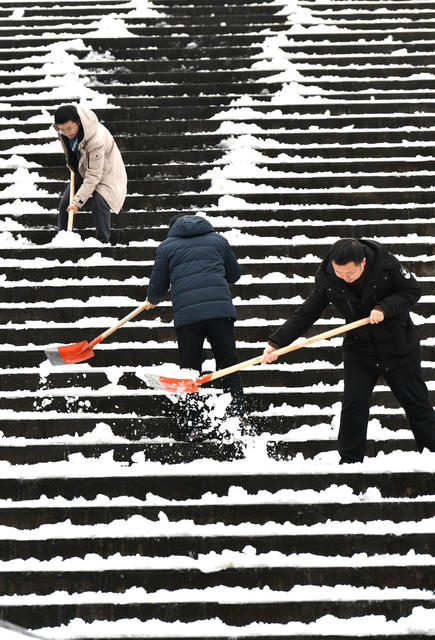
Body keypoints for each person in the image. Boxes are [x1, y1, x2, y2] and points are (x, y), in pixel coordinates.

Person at [263, 238, 435, 463]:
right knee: (354, 404)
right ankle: (350, 460)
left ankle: (432, 451)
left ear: (363, 262)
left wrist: (384, 307)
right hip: (360, 349)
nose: (344, 278)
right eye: (339, 272)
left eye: (350, 273)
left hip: (398, 345)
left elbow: (412, 290)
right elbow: (307, 312)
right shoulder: (328, 277)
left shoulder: (385, 264)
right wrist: (277, 342)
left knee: (416, 402)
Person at [143, 214, 245, 439]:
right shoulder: (218, 240)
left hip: (188, 317)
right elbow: (235, 274)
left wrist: (153, 298)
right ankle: (236, 415)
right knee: (228, 363)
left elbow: (158, 285)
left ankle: (193, 424)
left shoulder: (167, 247)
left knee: (189, 369)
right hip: (220, 312)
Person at [54, 104, 127, 243]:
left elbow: (94, 176)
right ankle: (62, 239)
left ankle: (102, 242)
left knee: (100, 201)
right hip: (84, 168)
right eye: (62, 130)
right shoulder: (62, 130)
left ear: (79, 122)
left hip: (107, 171)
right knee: (65, 204)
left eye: (70, 128)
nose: (66, 133)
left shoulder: (95, 140)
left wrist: (77, 203)